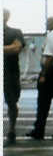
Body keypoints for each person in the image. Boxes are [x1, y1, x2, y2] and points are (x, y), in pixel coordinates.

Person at [4, 9, 25, 145]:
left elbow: (17, 48)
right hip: (10, 72)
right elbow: (12, 48)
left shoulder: (15, 32)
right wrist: (8, 48)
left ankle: (11, 129)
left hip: (10, 73)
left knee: (12, 102)